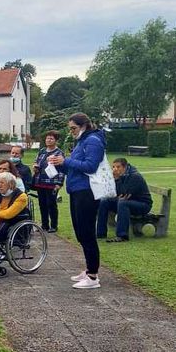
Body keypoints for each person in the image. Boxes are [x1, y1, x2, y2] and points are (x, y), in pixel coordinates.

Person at [48, 113, 105, 289]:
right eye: (70, 128)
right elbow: (74, 166)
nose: (71, 131)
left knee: (87, 232)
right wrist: (59, 164)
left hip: (87, 191)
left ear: (84, 126)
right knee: (80, 232)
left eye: (73, 128)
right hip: (76, 190)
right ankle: (89, 269)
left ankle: (93, 276)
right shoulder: (82, 141)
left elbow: (91, 166)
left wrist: (67, 161)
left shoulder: (93, 141)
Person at [97, 158, 152, 243]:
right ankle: (100, 233)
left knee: (123, 203)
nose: (115, 169)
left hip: (143, 205)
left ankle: (122, 235)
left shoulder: (134, 176)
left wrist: (117, 179)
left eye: (118, 167)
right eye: (113, 167)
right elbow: (114, 193)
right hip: (128, 202)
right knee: (104, 201)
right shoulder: (121, 176)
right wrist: (115, 180)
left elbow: (125, 194)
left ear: (125, 167)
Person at [32, 130, 65, 232]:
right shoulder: (42, 151)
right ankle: (44, 225)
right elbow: (36, 161)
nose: (48, 140)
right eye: (47, 138)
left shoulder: (59, 153)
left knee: (51, 204)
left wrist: (59, 183)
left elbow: (62, 169)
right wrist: (35, 167)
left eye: (51, 138)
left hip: (52, 183)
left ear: (56, 140)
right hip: (40, 181)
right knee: (42, 204)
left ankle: (54, 226)